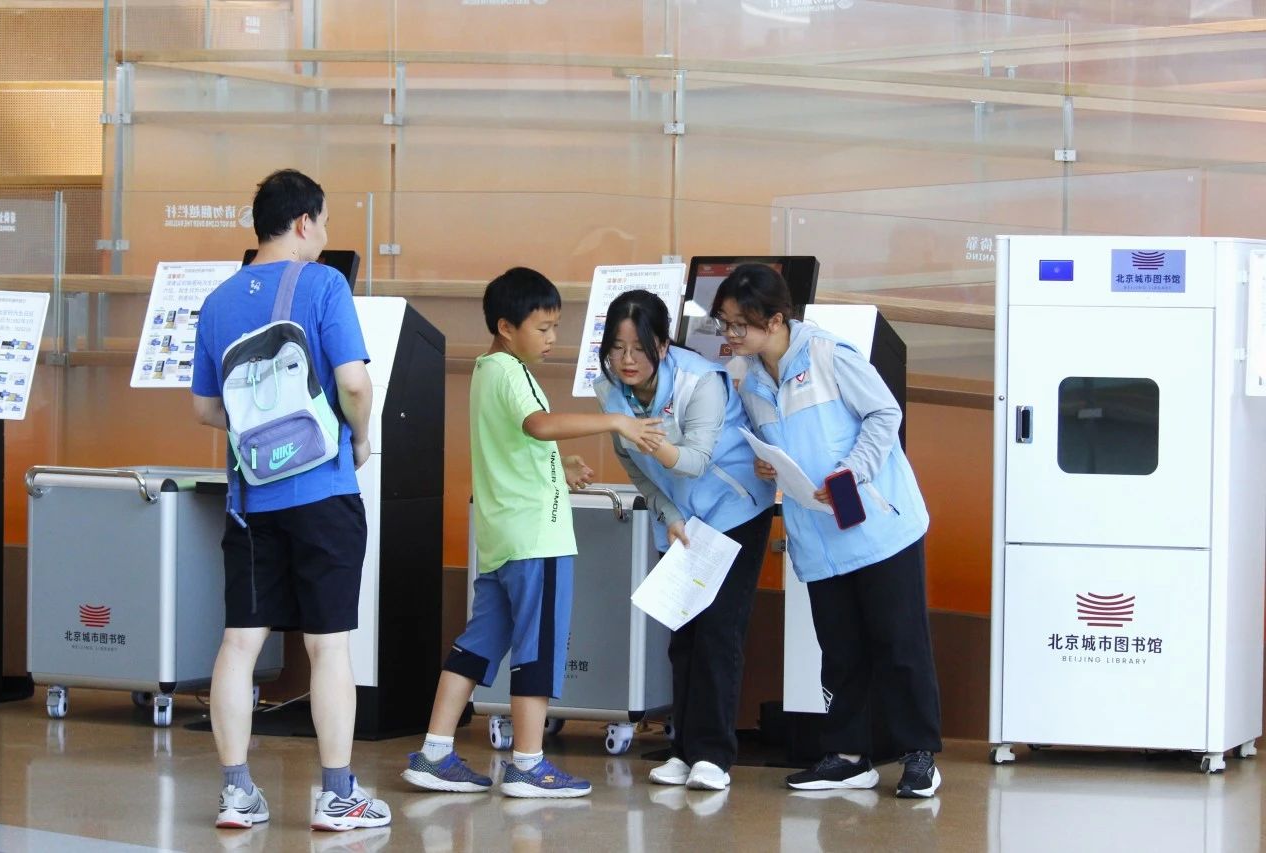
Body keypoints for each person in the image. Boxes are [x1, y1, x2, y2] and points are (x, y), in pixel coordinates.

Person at [402, 267, 666, 799]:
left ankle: (434, 753)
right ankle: (528, 763)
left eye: (556, 327)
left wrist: (559, 466)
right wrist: (616, 422)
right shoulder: (511, 371)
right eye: (543, 328)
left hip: (503, 540)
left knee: (476, 647)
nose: (552, 339)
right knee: (538, 648)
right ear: (506, 326)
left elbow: (514, 447)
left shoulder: (486, 371)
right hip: (536, 540)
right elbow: (537, 425)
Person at [191, 169, 391, 832]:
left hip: (251, 498)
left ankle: (236, 793)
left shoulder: (218, 301)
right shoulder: (324, 284)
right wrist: (359, 436)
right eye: (324, 222)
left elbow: (205, 408)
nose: (325, 235)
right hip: (323, 490)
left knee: (239, 642)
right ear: (304, 221)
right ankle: (337, 796)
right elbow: (354, 382)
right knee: (328, 646)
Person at [709, 263, 943, 799]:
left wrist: (851, 472)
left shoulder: (828, 355)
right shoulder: (750, 381)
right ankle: (848, 755)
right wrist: (768, 465)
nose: (729, 335)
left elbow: (884, 415)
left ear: (775, 320)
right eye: (724, 322)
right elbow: (778, 446)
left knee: (900, 644)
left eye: (739, 324)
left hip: (878, 527)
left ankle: (918, 756)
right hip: (818, 538)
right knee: (839, 650)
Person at [591, 289, 776, 791]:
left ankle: (713, 755)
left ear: (663, 345)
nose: (627, 360)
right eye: (617, 348)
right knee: (684, 634)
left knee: (718, 632)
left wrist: (645, 437)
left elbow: (694, 460)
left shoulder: (702, 381)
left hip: (734, 508)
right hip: (680, 518)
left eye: (639, 347)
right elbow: (632, 466)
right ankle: (684, 750)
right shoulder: (611, 392)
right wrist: (669, 515)